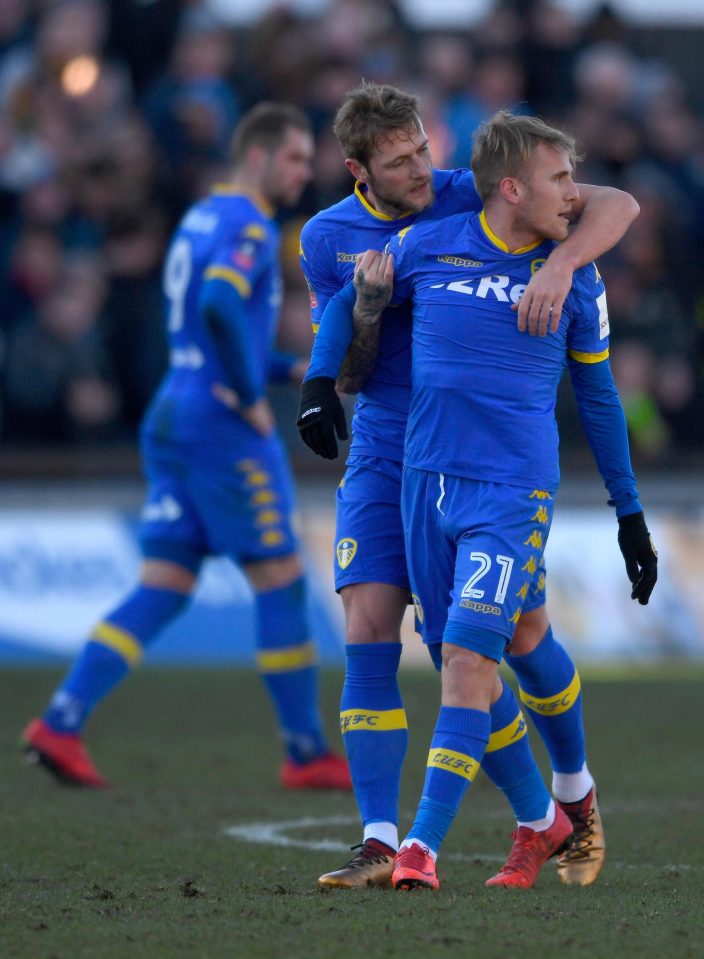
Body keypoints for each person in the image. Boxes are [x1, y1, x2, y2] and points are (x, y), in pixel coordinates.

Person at [297, 82, 642, 889]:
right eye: (401, 160)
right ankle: (389, 840)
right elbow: (349, 351)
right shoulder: (327, 238)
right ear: (360, 170)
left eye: (424, 148)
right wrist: (331, 365)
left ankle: (568, 797)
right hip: (396, 447)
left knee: (515, 637)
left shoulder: (469, 190)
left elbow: (613, 203)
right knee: (381, 627)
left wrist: (560, 263)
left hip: (496, 456)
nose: (422, 169)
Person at [21, 102, 351, 793]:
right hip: (219, 425)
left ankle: (60, 720)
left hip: (174, 409)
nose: (303, 171)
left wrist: (299, 371)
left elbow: (212, 326)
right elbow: (221, 308)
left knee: (164, 583)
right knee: (283, 579)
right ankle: (305, 750)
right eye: (294, 157)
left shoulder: (201, 217)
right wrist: (250, 393)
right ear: (258, 157)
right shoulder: (249, 224)